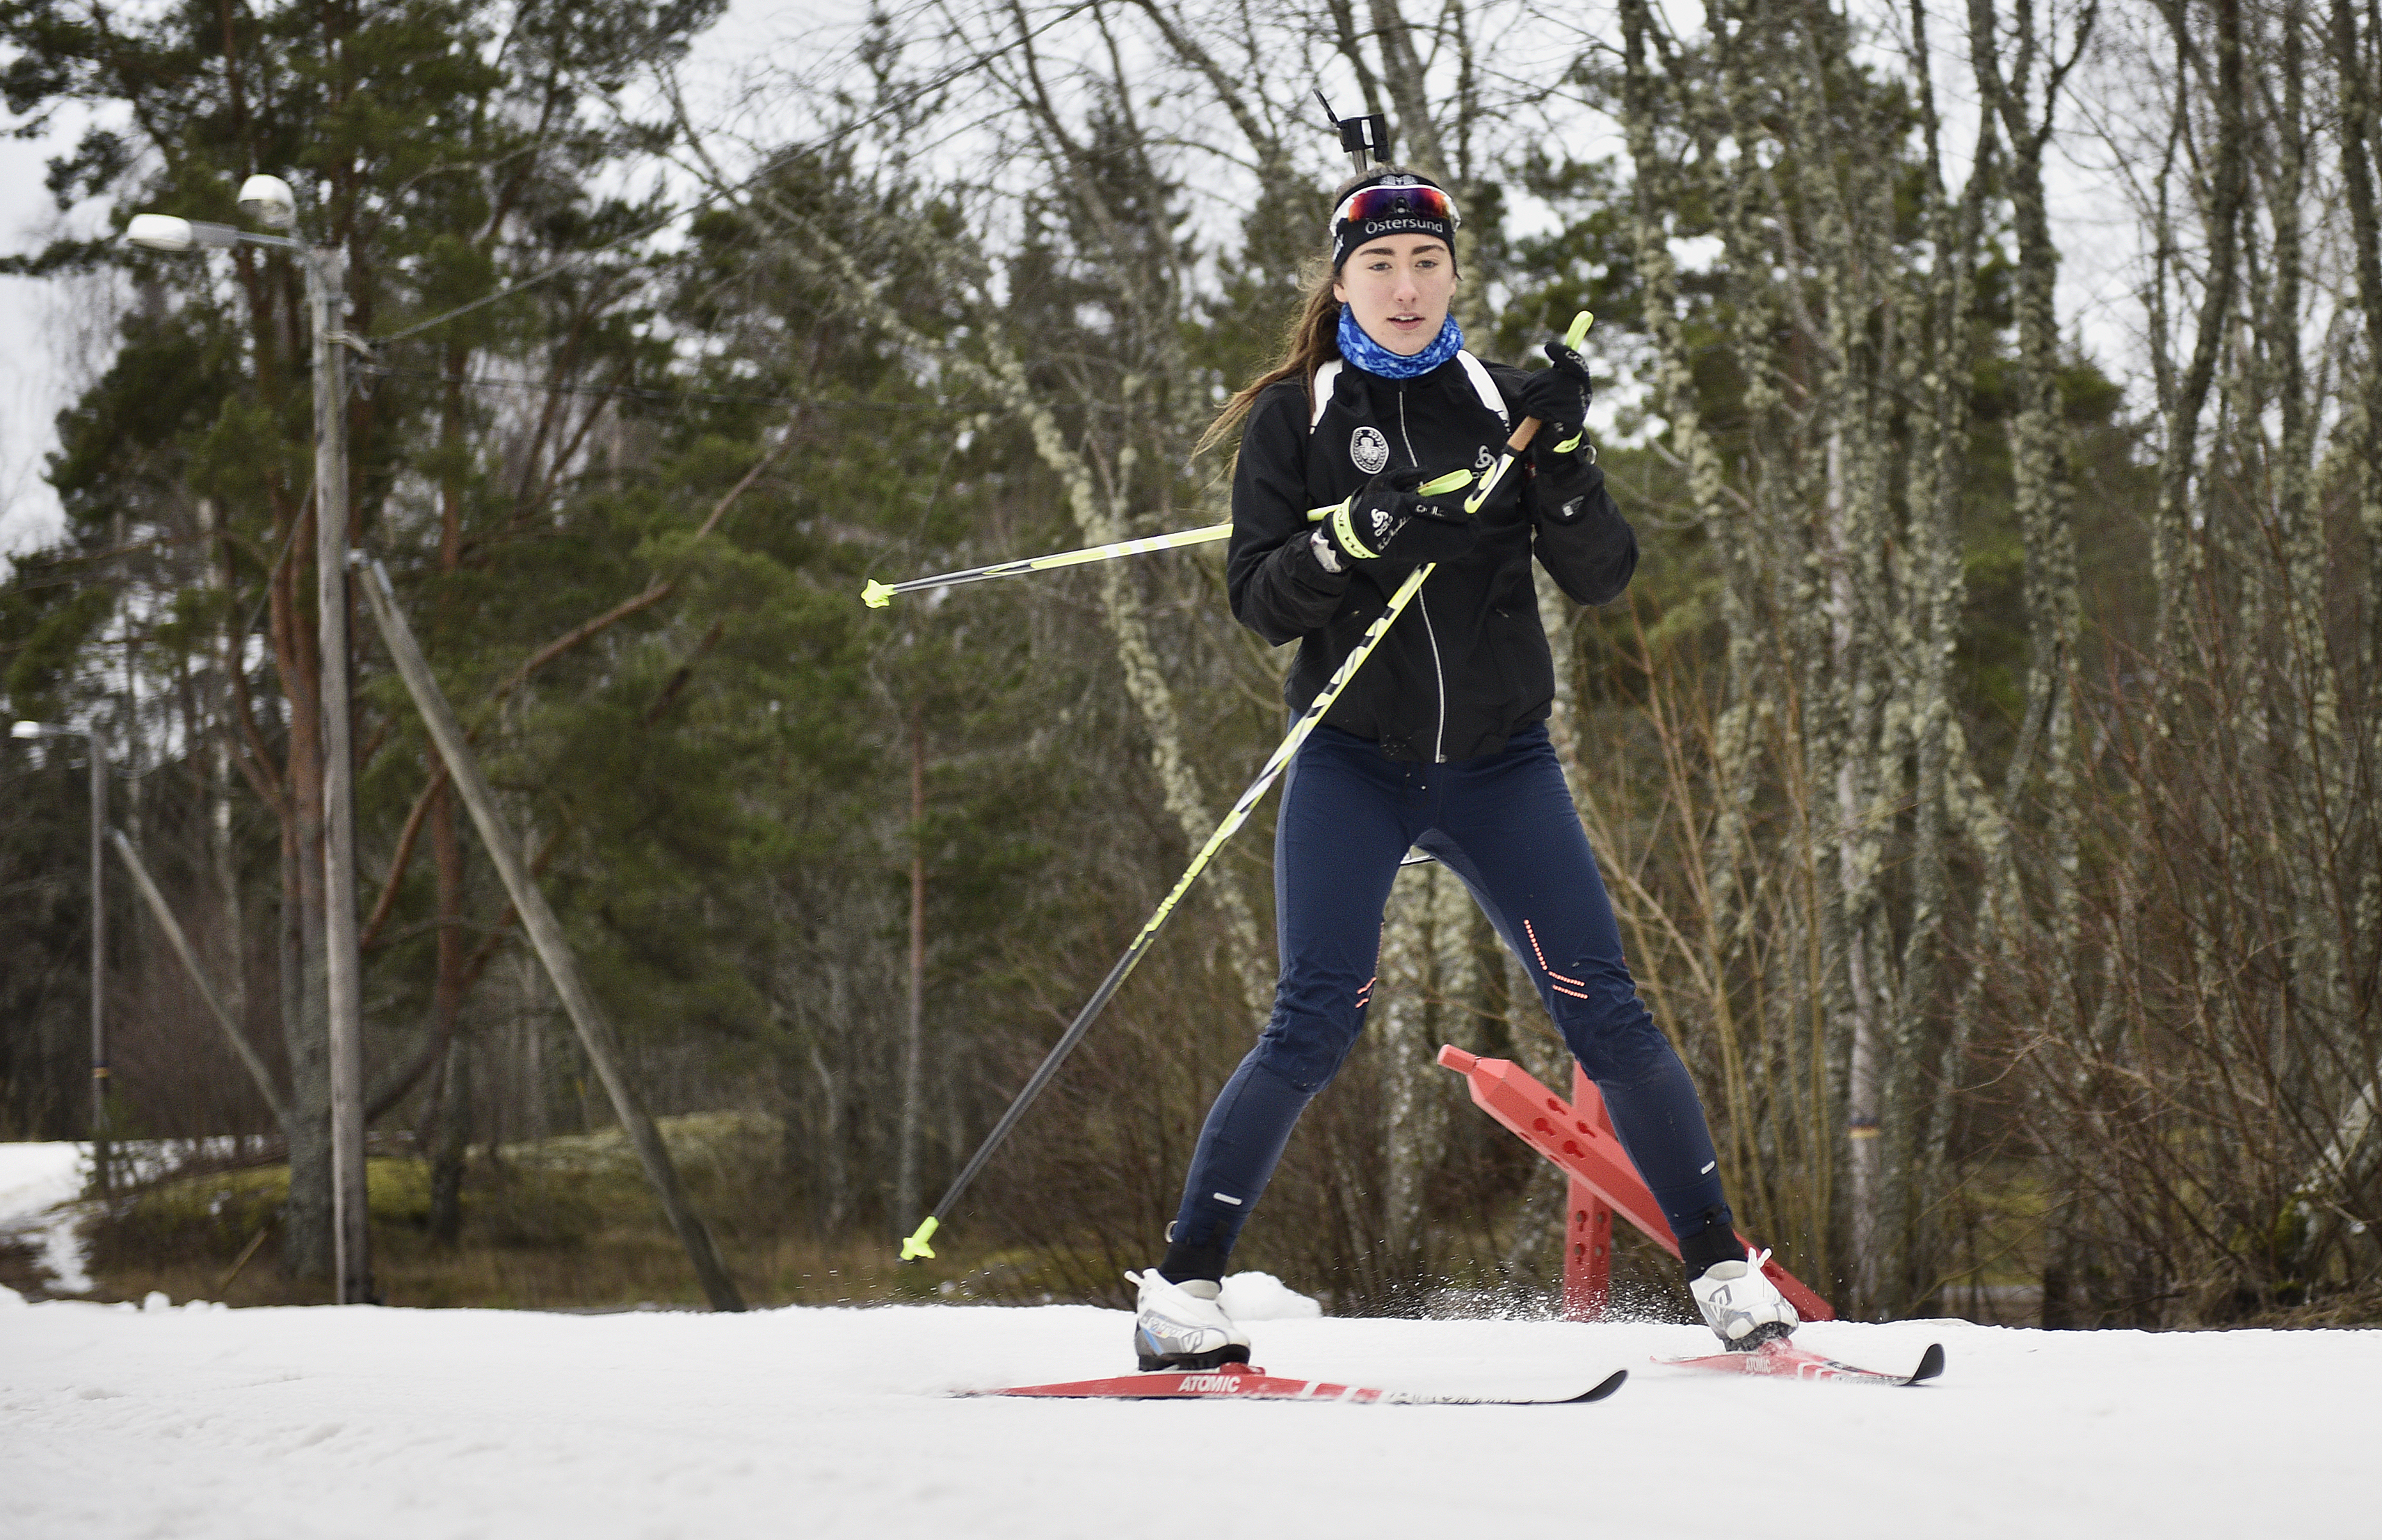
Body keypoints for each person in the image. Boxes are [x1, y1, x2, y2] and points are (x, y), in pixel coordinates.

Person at [1126, 167, 1796, 1369]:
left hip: (1500, 766)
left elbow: (1599, 575)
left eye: (1425, 263)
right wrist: (1353, 534)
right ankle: (1182, 1290)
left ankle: (1720, 1270)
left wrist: (1571, 456)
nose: (1403, 285)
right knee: (1314, 1019)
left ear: (1454, 276)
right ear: (1340, 282)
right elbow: (1260, 600)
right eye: (1377, 265)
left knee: (1605, 1008)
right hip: (1353, 760)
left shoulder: (1503, 403)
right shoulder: (1297, 415)